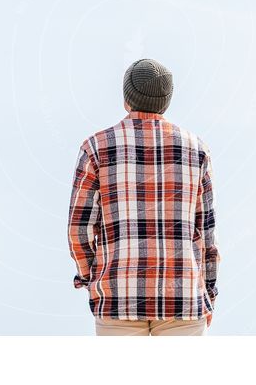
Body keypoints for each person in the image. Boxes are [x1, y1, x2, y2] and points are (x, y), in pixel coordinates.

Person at [67, 58, 220, 336]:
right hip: (183, 299)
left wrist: (92, 279)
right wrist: (209, 292)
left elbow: (79, 230)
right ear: (166, 102)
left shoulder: (95, 148)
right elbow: (206, 234)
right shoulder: (197, 150)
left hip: (117, 297)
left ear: (127, 98)